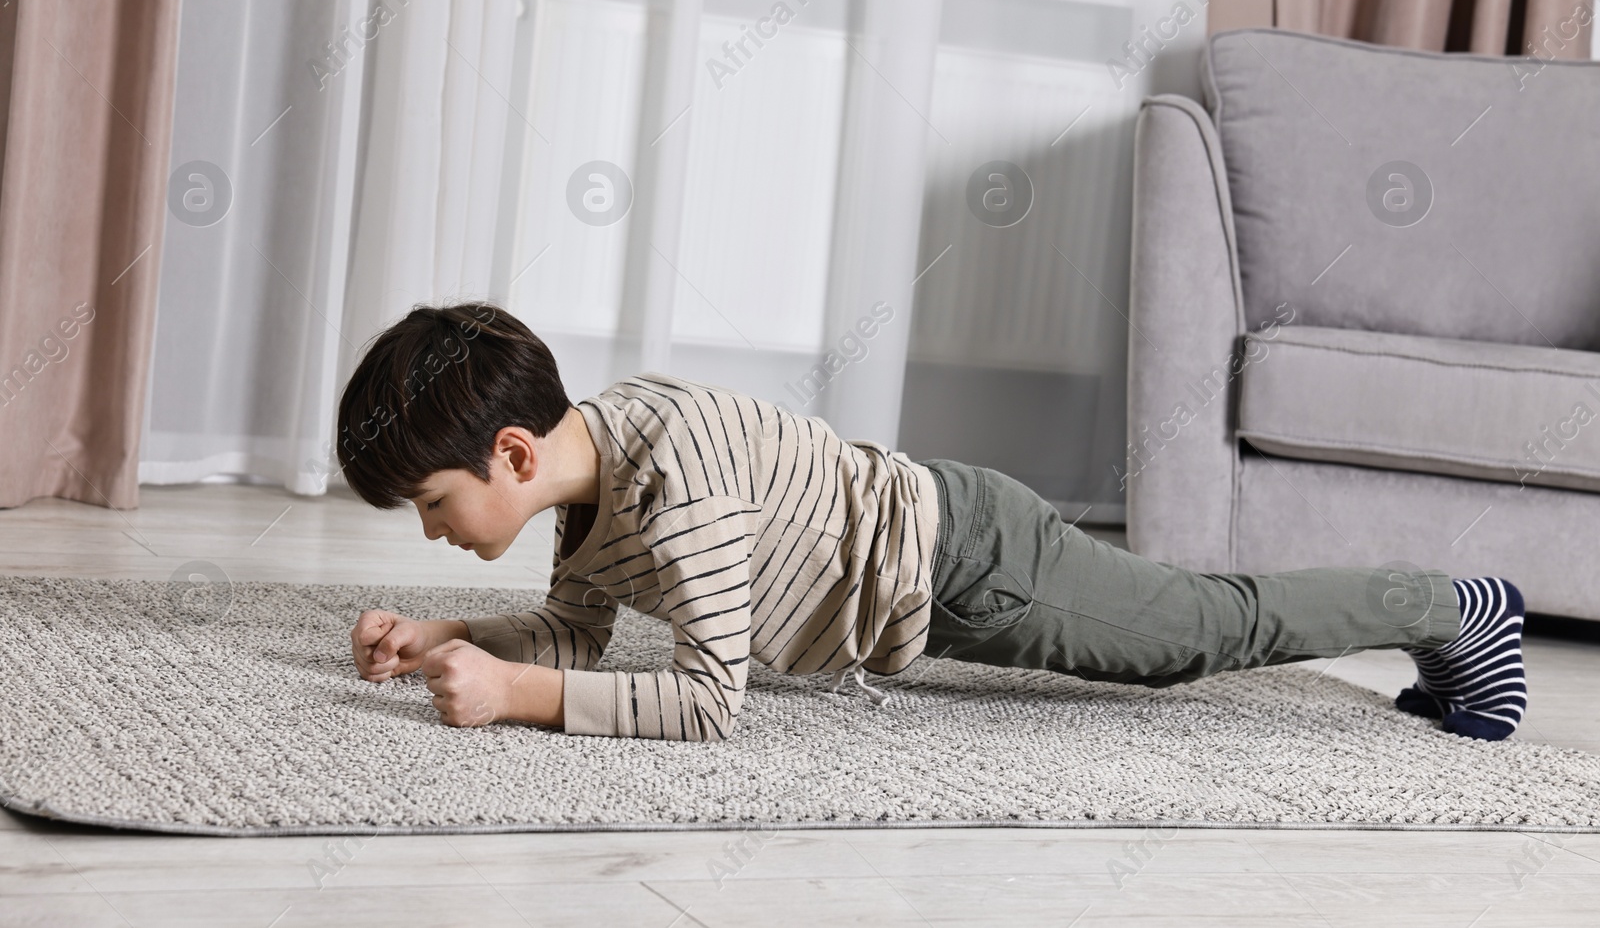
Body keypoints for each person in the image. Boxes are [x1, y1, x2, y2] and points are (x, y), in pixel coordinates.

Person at [339, 303, 1528, 743]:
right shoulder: (586, 468)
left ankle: (1456, 605)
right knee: (1189, 622)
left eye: (435, 504)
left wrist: (517, 697)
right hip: (942, 542)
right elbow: (580, 632)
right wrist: (465, 635)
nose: (434, 529)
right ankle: (1445, 608)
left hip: (972, 566)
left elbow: (707, 701)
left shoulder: (673, 479)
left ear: (511, 450)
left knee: (1196, 636)